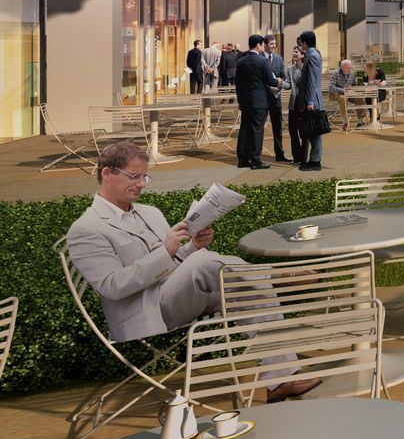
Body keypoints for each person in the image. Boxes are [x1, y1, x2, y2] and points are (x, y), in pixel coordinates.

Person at [65, 142, 321, 399]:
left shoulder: (149, 212)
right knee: (207, 263)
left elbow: (172, 264)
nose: (141, 184)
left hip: (175, 294)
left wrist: (191, 247)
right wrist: (167, 252)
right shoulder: (86, 229)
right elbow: (112, 287)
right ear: (107, 174)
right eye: (134, 177)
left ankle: (280, 379)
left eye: (144, 176)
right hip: (143, 311)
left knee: (244, 285)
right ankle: (274, 276)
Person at [233, 35, 278, 170]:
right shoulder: (263, 61)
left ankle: (242, 159)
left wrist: (240, 101)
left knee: (245, 129)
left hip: (245, 101)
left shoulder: (241, 61)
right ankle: (256, 160)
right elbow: (271, 81)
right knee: (257, 130)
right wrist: (279, 82)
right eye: (262, 45)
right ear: (258, 45)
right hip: (259, 101)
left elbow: (238, 84)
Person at [291, 32, 326, 171]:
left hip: (311, 100)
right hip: (311, 98)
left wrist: (310, 101)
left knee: (314, 131)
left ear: (305, 42)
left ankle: (315, 161)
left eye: (301, 42)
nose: (300, 44)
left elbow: (312, 80)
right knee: (312, 131)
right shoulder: (313, 54)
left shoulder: (311, 56)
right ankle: (313, 160)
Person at [266, 42, 290, 162]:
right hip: (263, 98)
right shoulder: (259, 58)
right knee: (259, 127)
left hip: (276, 98)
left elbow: (283, 76)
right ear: (265, 45)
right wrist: (268, 88)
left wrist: (279, 85)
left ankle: (279, 154)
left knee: (277, 127)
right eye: (271, 44)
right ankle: (255, 155)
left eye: (275, 44)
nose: (274, 46)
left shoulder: (279, 59)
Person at [328, 59, 357, 131]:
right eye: (349, 67)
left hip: (349, 94)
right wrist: (343, 90)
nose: (350, 69)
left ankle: (360, 121)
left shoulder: (352, 74)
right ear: (342, 67)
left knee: (360, 99)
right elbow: (331, 87)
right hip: (335, 94)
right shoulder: (335, 73)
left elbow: (354, 85)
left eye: (350, 67)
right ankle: (345, 122)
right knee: (343, 98)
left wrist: (354, 90)